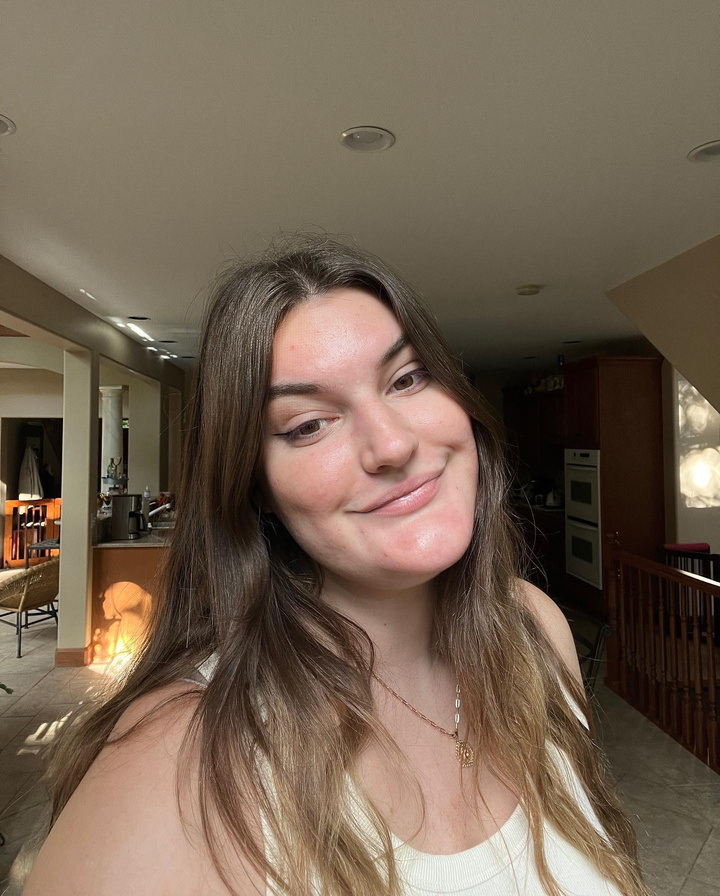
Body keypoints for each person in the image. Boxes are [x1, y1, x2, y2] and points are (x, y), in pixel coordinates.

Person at [24, 238, 647, 896]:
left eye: (407, 378)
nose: (393, 444)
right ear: (256, 487)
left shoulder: (534, 628)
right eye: (309, 424)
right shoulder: (183, 756)